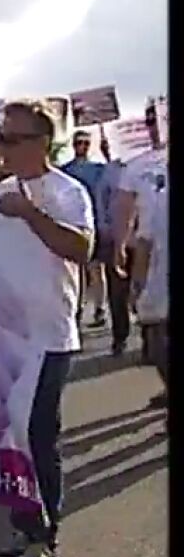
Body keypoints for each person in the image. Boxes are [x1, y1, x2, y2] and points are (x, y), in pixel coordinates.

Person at [0, 100, 94, 557]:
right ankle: (24, 526)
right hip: (4, 338)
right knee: (11, 435)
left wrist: (30, 214)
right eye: (0, 138)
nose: (2, 147)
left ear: (42, 142)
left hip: (49, 336)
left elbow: (81, 248)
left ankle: (45, 538)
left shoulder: (67, 192)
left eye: (12, 139)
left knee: (37, 434)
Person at [111, 147, 169, 401]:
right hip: (157, 268)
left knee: (159, 339)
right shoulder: (139, 168)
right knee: (156, 338)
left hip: (157, 269)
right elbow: (143, 238)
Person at [126, 157, 168, 406]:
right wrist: (137, 284)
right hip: (160, 283)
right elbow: (144, 242)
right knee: (157, 344)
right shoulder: (159, 198)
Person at [60, 130, 108, 329]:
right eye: (79, 142)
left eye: (86, 143)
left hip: (95, 223)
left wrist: (107, 151)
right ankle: (77, 309)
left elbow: (114, 178)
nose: (82, 146)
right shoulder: (66, 170)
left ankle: (100, 308)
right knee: (76, 270)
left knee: (96, 269)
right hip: (72, 223)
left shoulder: (98, 169)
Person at [92, 136, 134, 356]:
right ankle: (120, 337)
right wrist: (105, 229)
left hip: (145, 237)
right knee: (117, 291)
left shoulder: (151, 165)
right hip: (116, 239)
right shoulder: (110, 171)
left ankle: (152, 338)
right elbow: (101, 200)